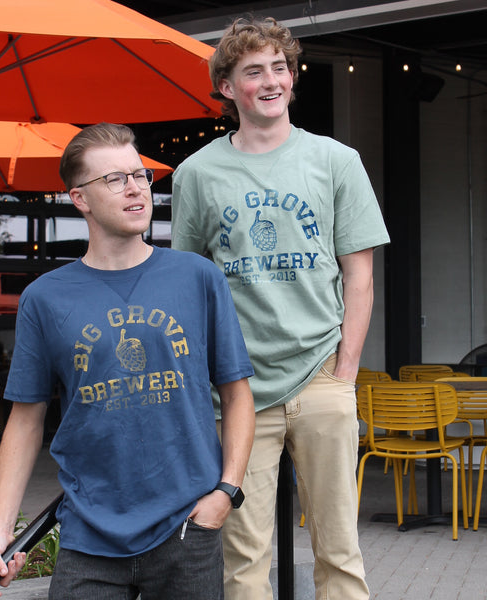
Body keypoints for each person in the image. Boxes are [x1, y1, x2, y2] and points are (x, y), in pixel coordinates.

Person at [0, 122, 256, 600]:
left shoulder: (197, 277)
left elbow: (237, 395)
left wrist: (225, 494)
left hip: (188, 529)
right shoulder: (45, 298)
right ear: (79, 199)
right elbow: (25, 420)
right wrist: (0, 529)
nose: (135, 189)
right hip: (90, 536)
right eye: (114, 179)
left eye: (140, 175)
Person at [171, 16, 390, 600]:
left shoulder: (336, 161)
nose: (270, 80)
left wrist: (345, 372)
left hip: (321, 374)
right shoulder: (196, 173)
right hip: (238, 390)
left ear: (293, 79)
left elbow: (360, 276)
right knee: (243, 558)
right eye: (253, 71)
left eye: (279, 68)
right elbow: (187, 283)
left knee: (339, 549)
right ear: (227, 87)